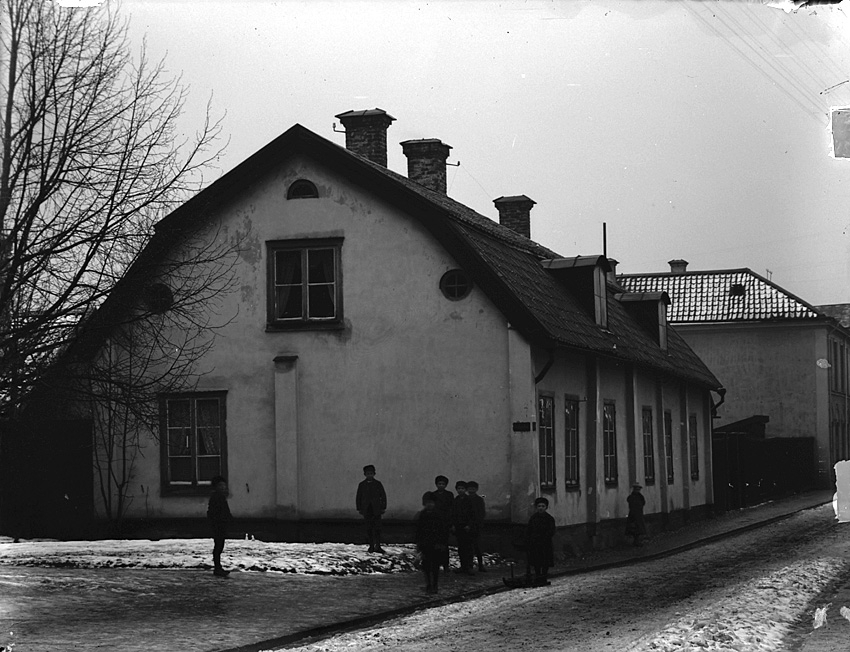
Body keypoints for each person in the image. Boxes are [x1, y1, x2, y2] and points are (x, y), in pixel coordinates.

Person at [415, 491, 450, 594]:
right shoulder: (422, 515)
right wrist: (419, 544)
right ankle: (428, 584)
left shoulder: (439, 515)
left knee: (435, 566)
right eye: (427, 503)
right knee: (426, 566)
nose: (429, 505)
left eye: (431, 502)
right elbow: (418, 530)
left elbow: (444, 530)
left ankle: (435, 584)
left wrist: (442, 543)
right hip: (425, 544)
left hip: (436, 544)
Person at [356, 464, 387, 553]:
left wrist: (383, 507)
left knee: (377, 528)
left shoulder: (378, 484)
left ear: (374, 474)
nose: (369, 475)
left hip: (376, 510)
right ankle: (371, 546)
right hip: (367, 510)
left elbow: (383, 495)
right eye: (368, 474)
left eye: (371, 473)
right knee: (369, 528)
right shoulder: (362, 485)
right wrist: (359, 508)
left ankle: (378, 546)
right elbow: (359, 497)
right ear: (365, 474)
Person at [525, 496, 556, 586]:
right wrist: (530, 539)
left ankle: (544, 577)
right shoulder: (533, 518)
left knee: (545, 561)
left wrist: (545, 537)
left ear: (546, 507)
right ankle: (538, 577)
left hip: (545, 543)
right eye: (539, 506)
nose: (541, 508)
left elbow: (551, 530)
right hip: (535, 543)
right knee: (536, 561)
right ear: (536, 507)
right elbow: (529, 530)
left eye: (543, 506)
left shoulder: (549, 518)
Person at [207, 475, 232, 577]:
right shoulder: (217, 497)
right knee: (218, 546)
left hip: (220, 524)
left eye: (224, 485)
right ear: (216, 487)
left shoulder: (220, 497)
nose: (223, 487)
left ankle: (218, 567)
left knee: (219, 546)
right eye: (220, 485)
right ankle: (217, 568)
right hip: (218, 525)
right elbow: (213, 512)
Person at [451, 480, 475, 574]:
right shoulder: (456, 500)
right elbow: (453, 513)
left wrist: (469, 525)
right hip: (459, 526)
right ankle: (463, 566)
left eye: (462, 488)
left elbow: (472, 514)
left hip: (467, 527)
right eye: (459, 488)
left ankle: (469, 566)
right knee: (461, 547)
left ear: (465, 490)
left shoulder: (469, 500)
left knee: (468, 547)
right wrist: (453, 525)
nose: (460, 490)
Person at [432, 475, 454, 572]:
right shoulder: (433, 495)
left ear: (446, 485)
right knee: (435, 544)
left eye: (443, 484)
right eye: (439, 484)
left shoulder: (449, 495)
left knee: (444, 545)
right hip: (435, 523)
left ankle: (445, 565)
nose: (441, 485)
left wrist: (451, 523)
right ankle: (436, 564)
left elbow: (451, 509)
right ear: (436, 484)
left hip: (445, 523)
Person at [466, 480, 486, 572]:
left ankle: (480, 565)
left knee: (478, 547)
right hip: (467, 526)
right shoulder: (465, 499)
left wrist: (478, 523)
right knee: (469, 547)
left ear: (476, 489)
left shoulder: (479, 500)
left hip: (477, 526)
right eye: (470, 488)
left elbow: (481, 513)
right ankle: (469, 565)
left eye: (473, 489)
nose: (471, 490)